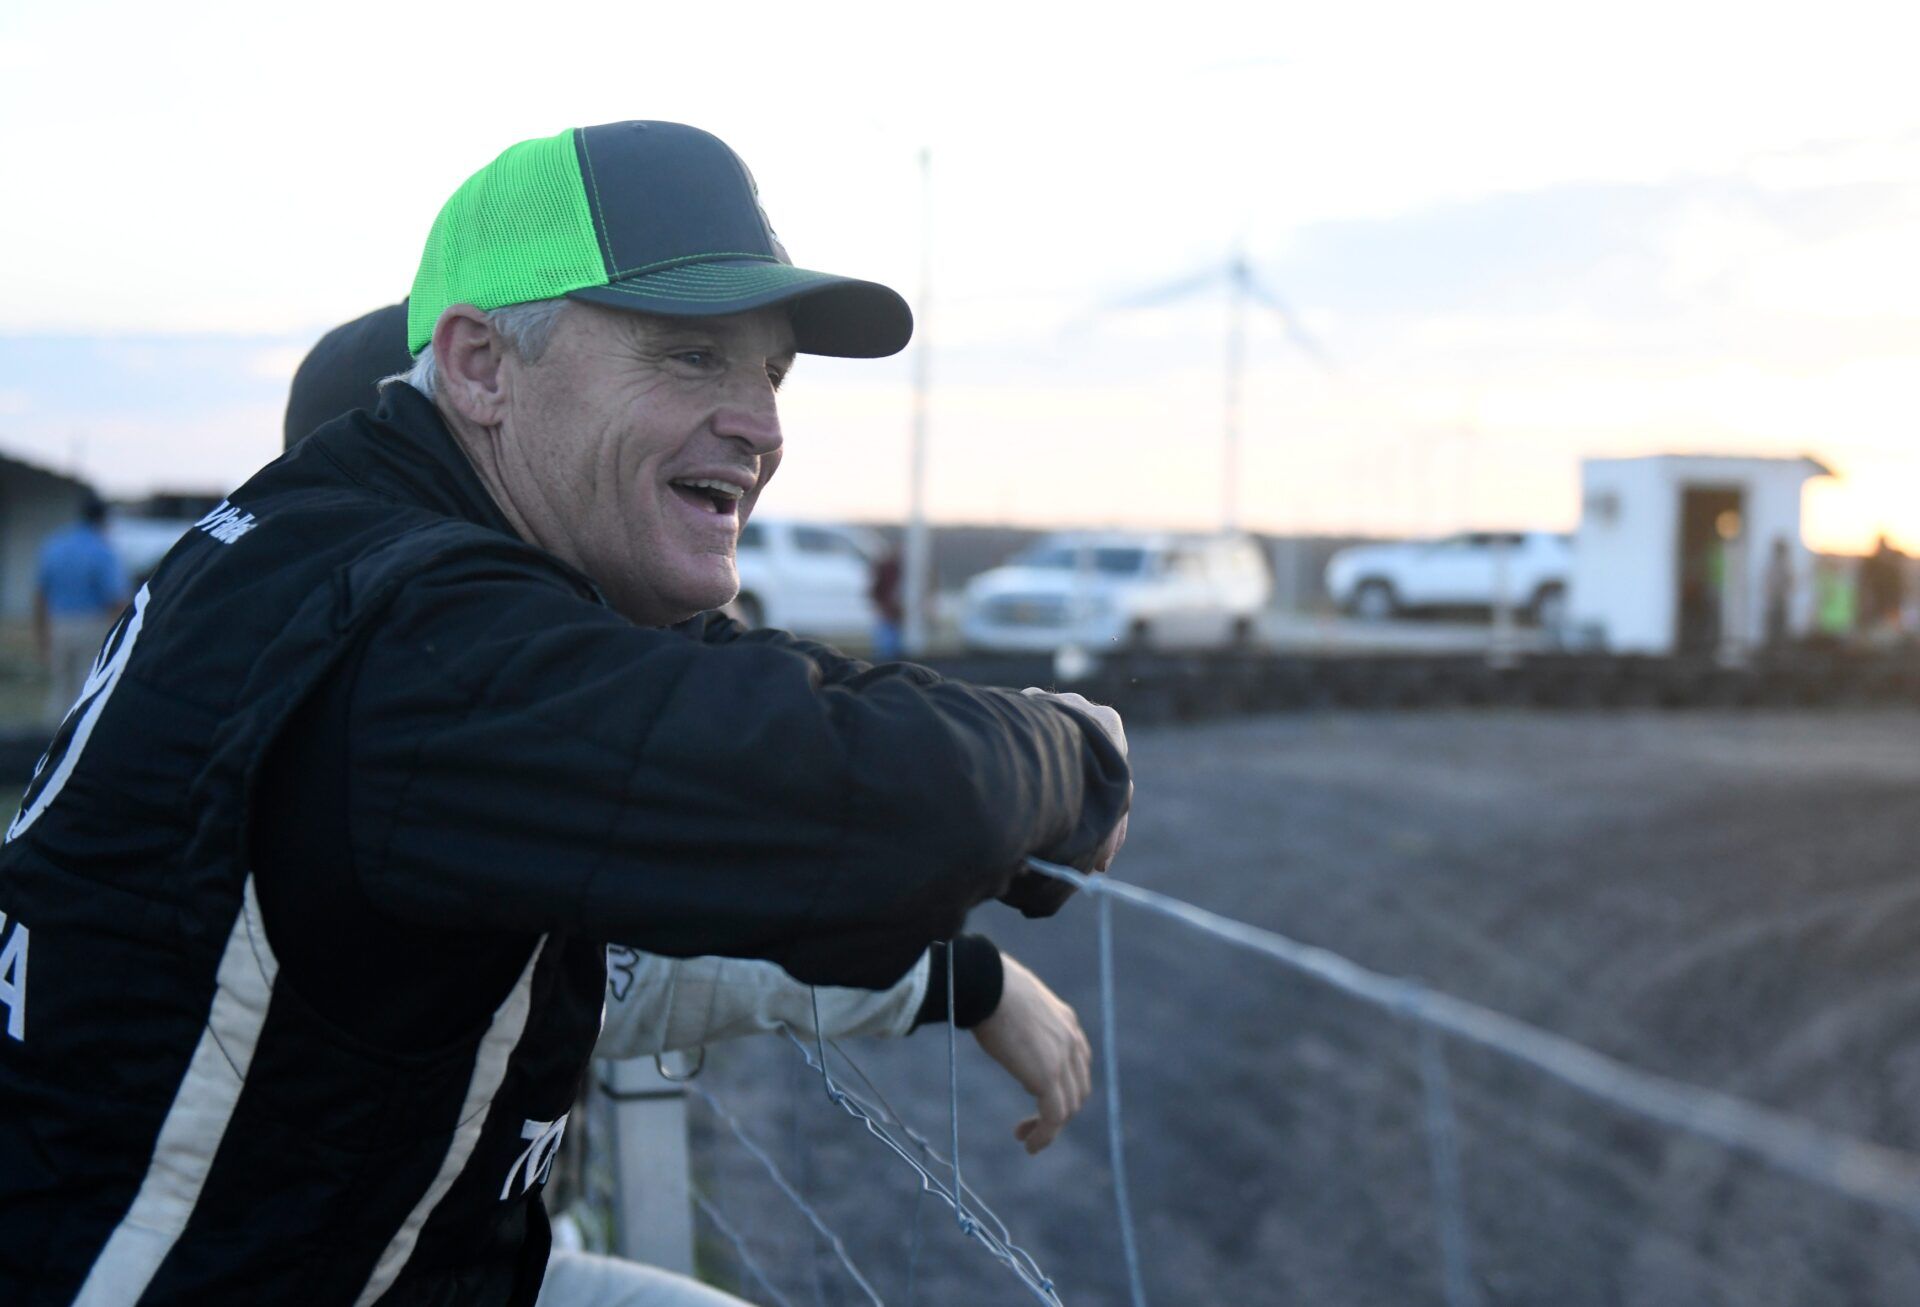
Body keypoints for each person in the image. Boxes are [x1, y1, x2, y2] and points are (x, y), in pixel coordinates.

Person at [0, 121, 1131, 1307]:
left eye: (771, 371)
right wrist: (1077, 755)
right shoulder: (414, 640)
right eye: (693, 355)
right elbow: (885, 805)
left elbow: (736, 687)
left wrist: (963, 967)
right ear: (483, 365)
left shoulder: (332, 548)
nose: (764, 423)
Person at [31, 492, 127, 730]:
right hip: (91, 624)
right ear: (102, 519)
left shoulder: (54, 545)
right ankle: (77, 741)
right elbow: (115, 598)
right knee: (87, 687)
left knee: (60, 687)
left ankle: (51, 742)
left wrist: (42, 635)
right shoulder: (102, 550)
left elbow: (40, 595)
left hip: (59, 623)